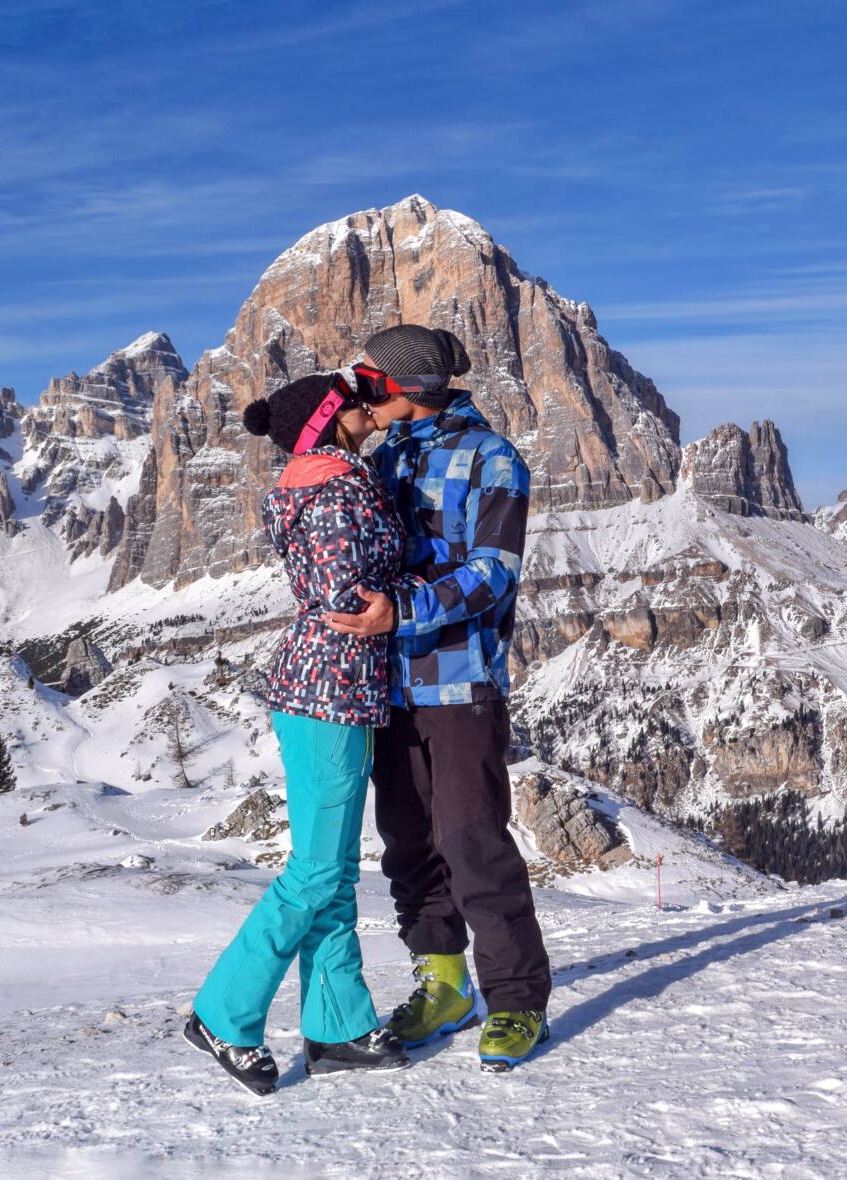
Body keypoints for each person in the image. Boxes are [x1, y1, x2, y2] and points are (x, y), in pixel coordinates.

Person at [323, 324, 551, 1073]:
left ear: (404, 386)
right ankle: (444, 984)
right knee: (410, 844)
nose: (360, 388)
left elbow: (495, 573)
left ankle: (516, 1000)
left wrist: (401, 611)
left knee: (472, 840)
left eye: (368, 377)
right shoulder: (382, 454)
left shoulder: (493, 460)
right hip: (385, 683)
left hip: (459, 682)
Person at [184, 370, 417, 1095]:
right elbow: (350, 595)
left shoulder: (331, 476)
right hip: (328, 690)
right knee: (316, 872)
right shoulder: (332, 490)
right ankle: (223, 1013)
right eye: (356, 401)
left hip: (336, 688)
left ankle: (338, 1024)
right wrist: (411, 598)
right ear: (331, 418)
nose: (369, 407)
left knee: (337, 869)